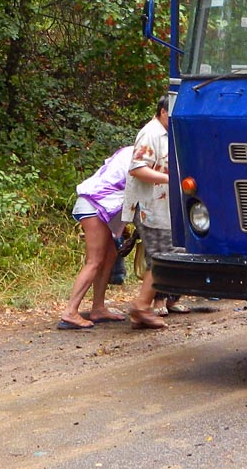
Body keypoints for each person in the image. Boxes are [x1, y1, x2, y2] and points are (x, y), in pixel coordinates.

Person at [57, 145, 134, 330]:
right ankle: (70, 312)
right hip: (94, 203)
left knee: (109, 256)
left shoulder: (129, 152)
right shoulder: (139, 156)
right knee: (94, 261)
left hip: (101, 205)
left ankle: (98, 308)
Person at [124, 95, 173, 329]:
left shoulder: (167, 134)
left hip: (163, 208)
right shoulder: (150, 133)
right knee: (162, 258)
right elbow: (137, 168)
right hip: (149, 208)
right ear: (163, 112)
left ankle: (140, 312)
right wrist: (169, 179)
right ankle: (142, 306)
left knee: (163, 256)